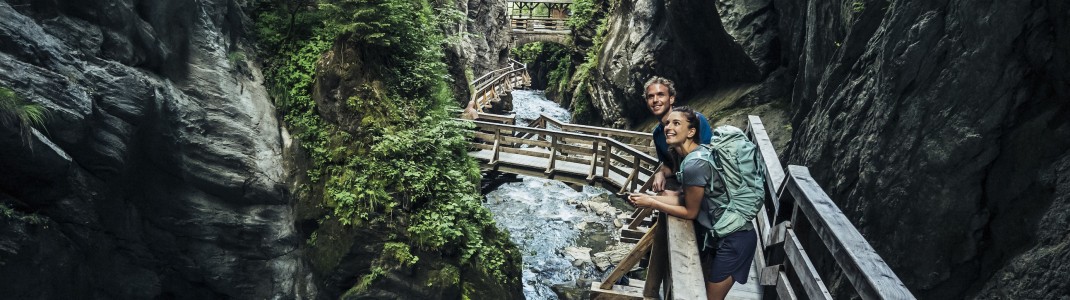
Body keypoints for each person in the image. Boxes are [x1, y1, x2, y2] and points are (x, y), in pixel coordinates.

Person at [627, 107, 758, 300]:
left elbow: (690, 211)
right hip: (726, 236)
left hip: (735, 241)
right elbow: (684, 197)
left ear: (691, 132)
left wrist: (653, 203)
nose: (668, 127)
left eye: (676, 123)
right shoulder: (698, 154)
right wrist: (651, 198)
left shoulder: (693, 165)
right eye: (668, 123)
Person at [643, 77, 712, 192]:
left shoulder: (695, 120)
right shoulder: (658, 134)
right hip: (683, 180)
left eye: (660, 95)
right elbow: (669, 165)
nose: (655, 100)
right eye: (650, 96)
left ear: (671, 99)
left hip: (706, 183)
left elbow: (709, 158)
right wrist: (660, 173)